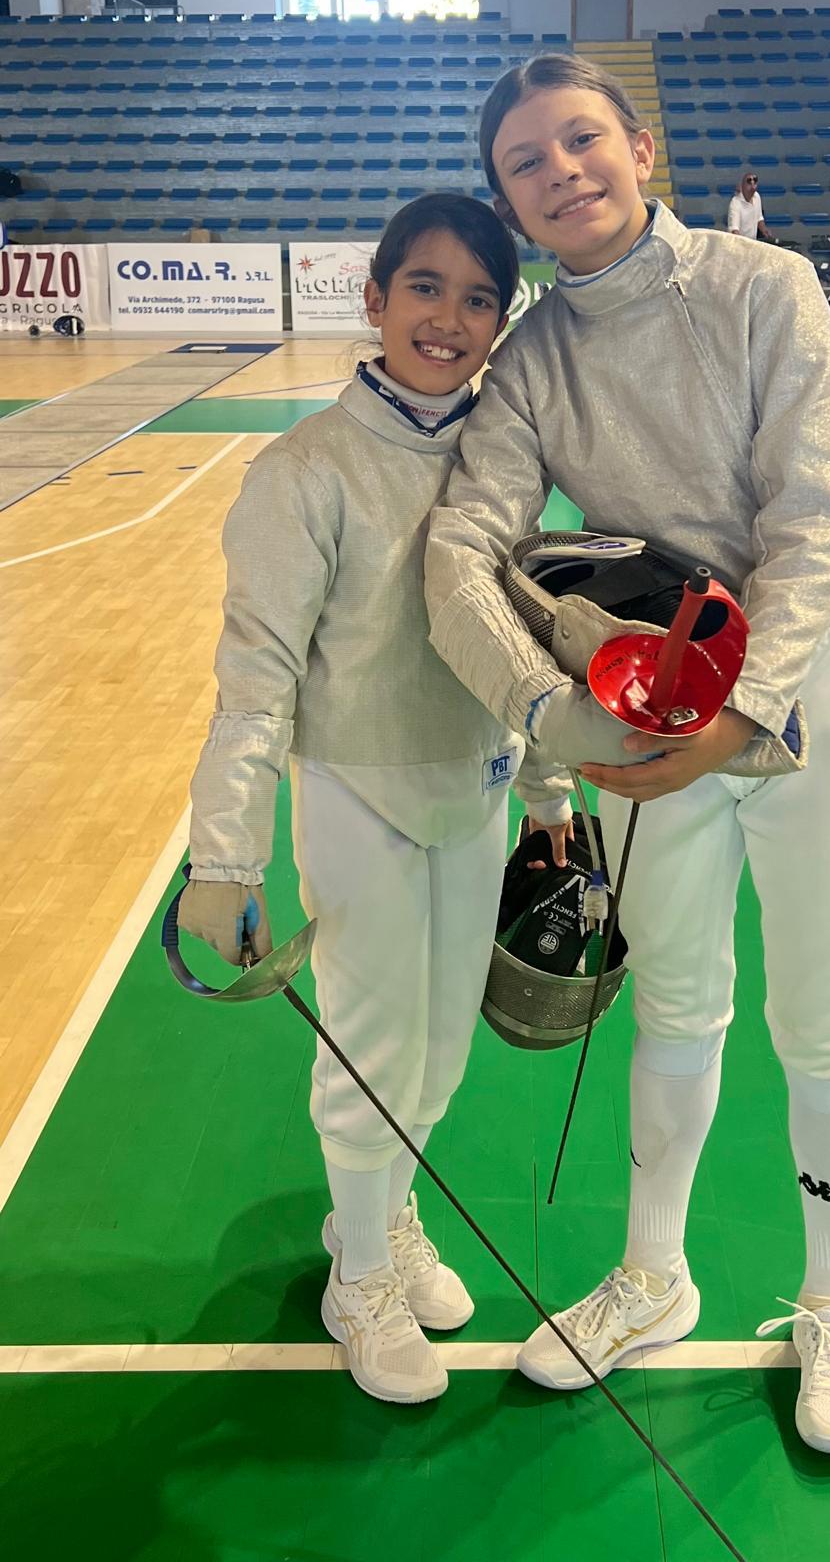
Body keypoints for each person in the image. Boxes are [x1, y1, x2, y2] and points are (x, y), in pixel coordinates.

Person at [425, 54, 830, 1458]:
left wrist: (750, 717)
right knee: (677, 1003)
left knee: (825, 1015)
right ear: (509, 199)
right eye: (525, 161)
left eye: (581, 140)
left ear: (641, 148)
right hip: (650, 706)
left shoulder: (768, 287)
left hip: (812, 692)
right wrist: (546, 717)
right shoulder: (531, 362)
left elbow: (813, 517)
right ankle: (653, 1273)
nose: (559, 172)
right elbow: (465, 546)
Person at [178, 193, 569, 1407]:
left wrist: (548, 782)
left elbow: (524, 634)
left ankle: (380, 1218)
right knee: (371, 1047)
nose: (448, 319)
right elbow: (255, 678)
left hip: (480, 784)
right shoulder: (305, 469)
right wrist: (224, 859)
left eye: (477, 298)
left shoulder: (500, 466)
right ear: (375, 298)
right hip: (359, 793)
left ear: (500, 320)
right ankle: (357, 1279)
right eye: (425, 288)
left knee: (441, 1045)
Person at [727, 168, 774, 243]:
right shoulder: (735, 203)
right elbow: (734, 230)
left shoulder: (757, 197)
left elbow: (759, 218)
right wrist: (743, 244)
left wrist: (764, 229)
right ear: (742, 185)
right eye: (749, 181)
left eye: (755, 180)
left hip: (752, 242)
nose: (752, 183)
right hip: (739, 243)